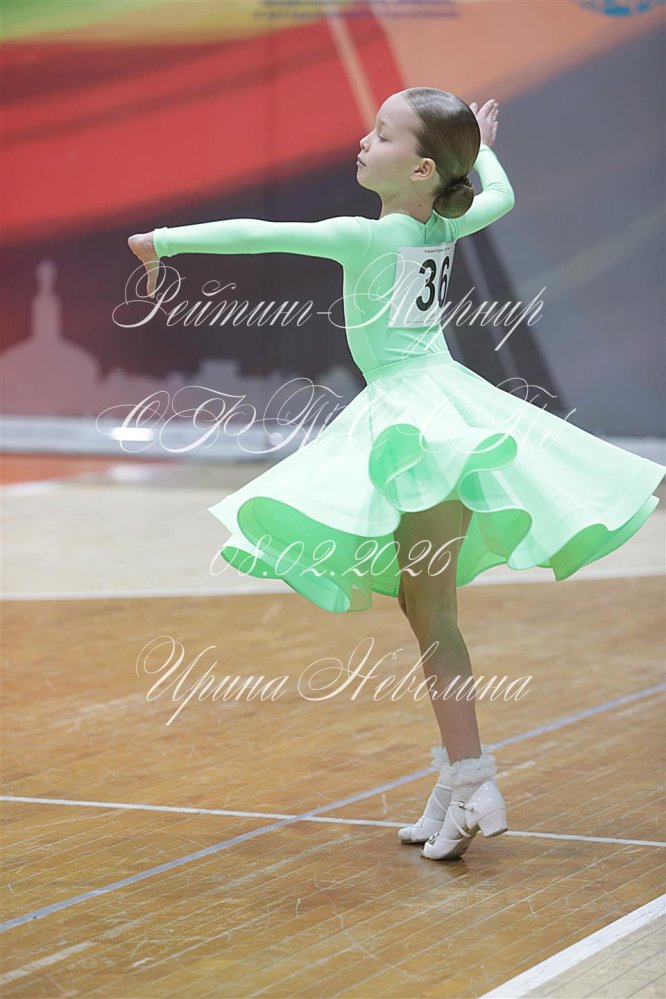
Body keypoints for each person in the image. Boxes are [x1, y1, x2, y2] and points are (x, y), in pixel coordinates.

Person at [128, 89, 665, 861]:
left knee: (433, 609)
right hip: (437, 408)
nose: (363, 140)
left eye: (382, 134)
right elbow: (502, 195)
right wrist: (484, 148)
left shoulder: (368, 237)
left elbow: (261, 234)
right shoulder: (445, 223)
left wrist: (163, 241)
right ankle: (455, 780)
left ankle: (474, 778)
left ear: (419, 169)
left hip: (419, 422)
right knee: (423, 604)